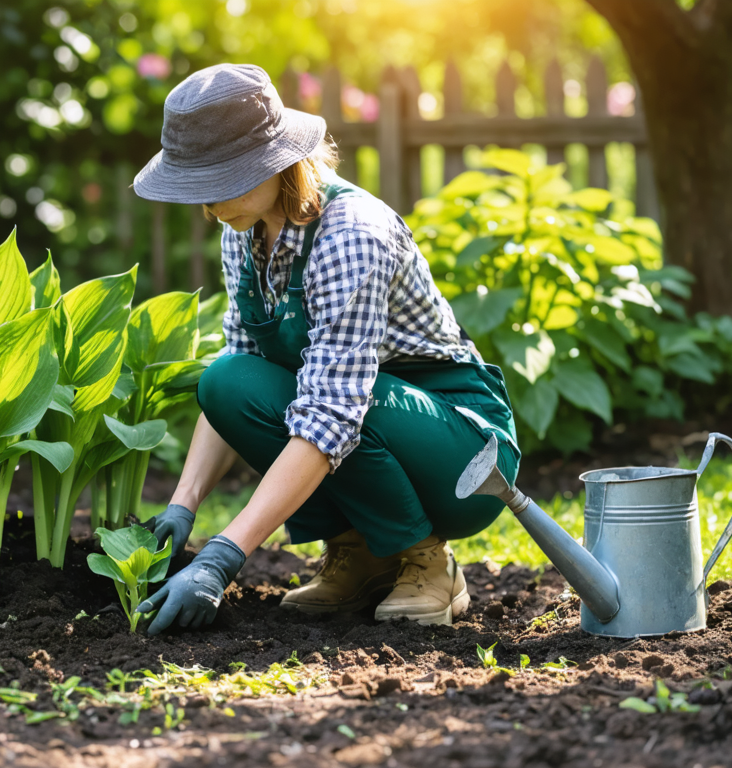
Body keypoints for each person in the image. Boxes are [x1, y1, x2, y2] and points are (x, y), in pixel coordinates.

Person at [130, 63, 520, 635]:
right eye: (199, 187)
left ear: (275, 160)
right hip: (368, 415)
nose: (209, 205)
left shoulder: (350, 234)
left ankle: (427, 562)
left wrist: (221, 557)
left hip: (462, 452)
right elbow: (240, 371)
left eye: (222, 181)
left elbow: (333, 413)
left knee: (337, 406)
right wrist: (182, 506)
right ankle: (359, 554)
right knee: (227, 382)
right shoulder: (243, 229)